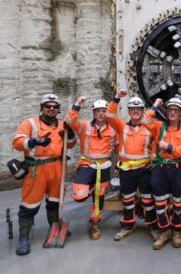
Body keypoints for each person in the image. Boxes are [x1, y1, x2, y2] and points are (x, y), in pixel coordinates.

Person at [12, 94, 76, 255]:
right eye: (48, 106)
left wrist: (71, 134)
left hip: (56, 166)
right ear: (42, 108)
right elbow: (17, 142)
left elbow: (70, 144)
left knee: (55, 201)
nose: (51, 109)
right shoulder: (30, 123)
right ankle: (24, 238)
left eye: (55, 107)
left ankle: (54, 228)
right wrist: (35, 141)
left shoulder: (63, 124)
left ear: (58, 109)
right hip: (36, 169)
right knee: (29, 205)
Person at [106, 89, 158, 242]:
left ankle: (152, 226)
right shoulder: (121, 126)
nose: (136, 112)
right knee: (127, 199)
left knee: (148, 200)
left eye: (138, 109)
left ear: (143, 111)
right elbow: (109, 116)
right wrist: (116, 98)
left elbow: (157, 146)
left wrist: (154, 161)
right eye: (133, 109)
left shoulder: (150, 127)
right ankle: (127, 225)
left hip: (144, 170)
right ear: (129, 111)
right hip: (127, 170)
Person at [65, 96, 119, 240]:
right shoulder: (84, 126)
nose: (101, 114)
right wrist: (78, 104)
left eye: (104, 111)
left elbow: (119, 148)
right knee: (79, 195)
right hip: (87, 164)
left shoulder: (114, 130)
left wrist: (120, 166)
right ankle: (89, 189)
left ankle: (94, 223)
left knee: (99, 197)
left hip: (104, 166)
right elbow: (70, 121)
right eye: (98, 111)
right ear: (94, 113)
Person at [144, 97, 181, 250]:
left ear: (180, 113)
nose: (172, 112)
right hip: (160, 170)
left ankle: (177, 231)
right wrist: (156, 105)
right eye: (170, 109)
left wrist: (168, 147)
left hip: (178, 169)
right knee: (160, 202)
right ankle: (164, 231)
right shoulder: (159, 126)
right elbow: (145, 121)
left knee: (178, 202)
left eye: (175, 110)